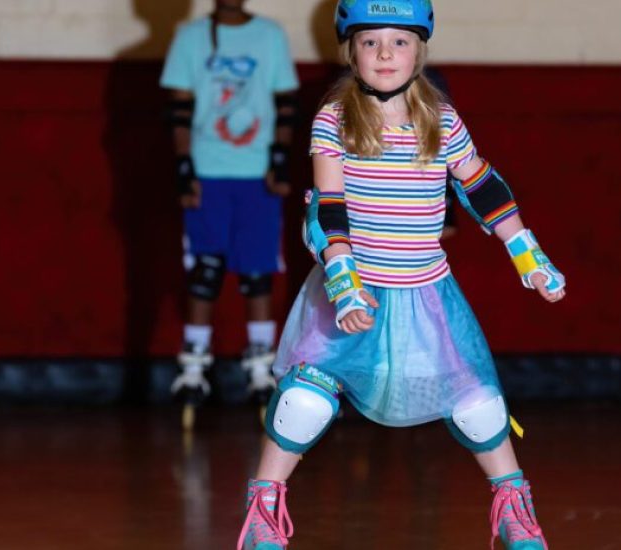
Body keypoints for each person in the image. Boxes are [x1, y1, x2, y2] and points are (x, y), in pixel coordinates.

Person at [235, 1, 566, 548]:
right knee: (304, 403)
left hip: (426, 293)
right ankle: (263, 514)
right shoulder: (335, 117)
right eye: (370, 42)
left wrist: (527, 254)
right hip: (353, 286)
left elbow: (481, 186)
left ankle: (513, 510)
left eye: (400, 41)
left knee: (480, 406)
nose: (385, 53)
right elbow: (328, 208)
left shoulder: (441, 117)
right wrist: (343, 282)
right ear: (350, 51)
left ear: (421, 50)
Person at [160, 0, 299, 429]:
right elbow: (179, 110)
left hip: (256, 174)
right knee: (205, 269)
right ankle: (194, 366)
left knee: (257, 272)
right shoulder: (189, 37)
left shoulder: (271, 35)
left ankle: (261, 366)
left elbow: (285, 105)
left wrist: (279, 163)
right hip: (209, 170)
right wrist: (184, 170)